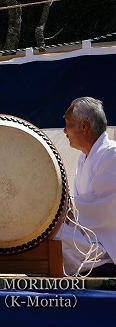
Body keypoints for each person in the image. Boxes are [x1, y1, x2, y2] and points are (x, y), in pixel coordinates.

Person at [55, 97, 116, 276]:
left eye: (68, 125)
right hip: (90, 236)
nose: (65, 131)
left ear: (84, 126)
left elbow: (107, 208)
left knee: (54, 236)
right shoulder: (84, 157)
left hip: (107, 244)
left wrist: (65, 208)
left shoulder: (111, 154)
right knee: (43, 234)